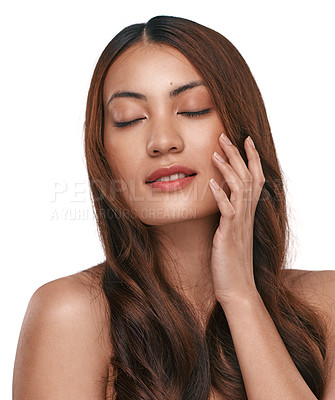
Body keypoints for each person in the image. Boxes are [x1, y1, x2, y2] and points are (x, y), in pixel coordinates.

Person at [13, 15, 335, 400]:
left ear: (241, 129)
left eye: (193, 109)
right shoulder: (69, 316)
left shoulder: (326, 303)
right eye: (129, 119)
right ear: (103, 155)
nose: (162, 141)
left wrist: (241, 295)